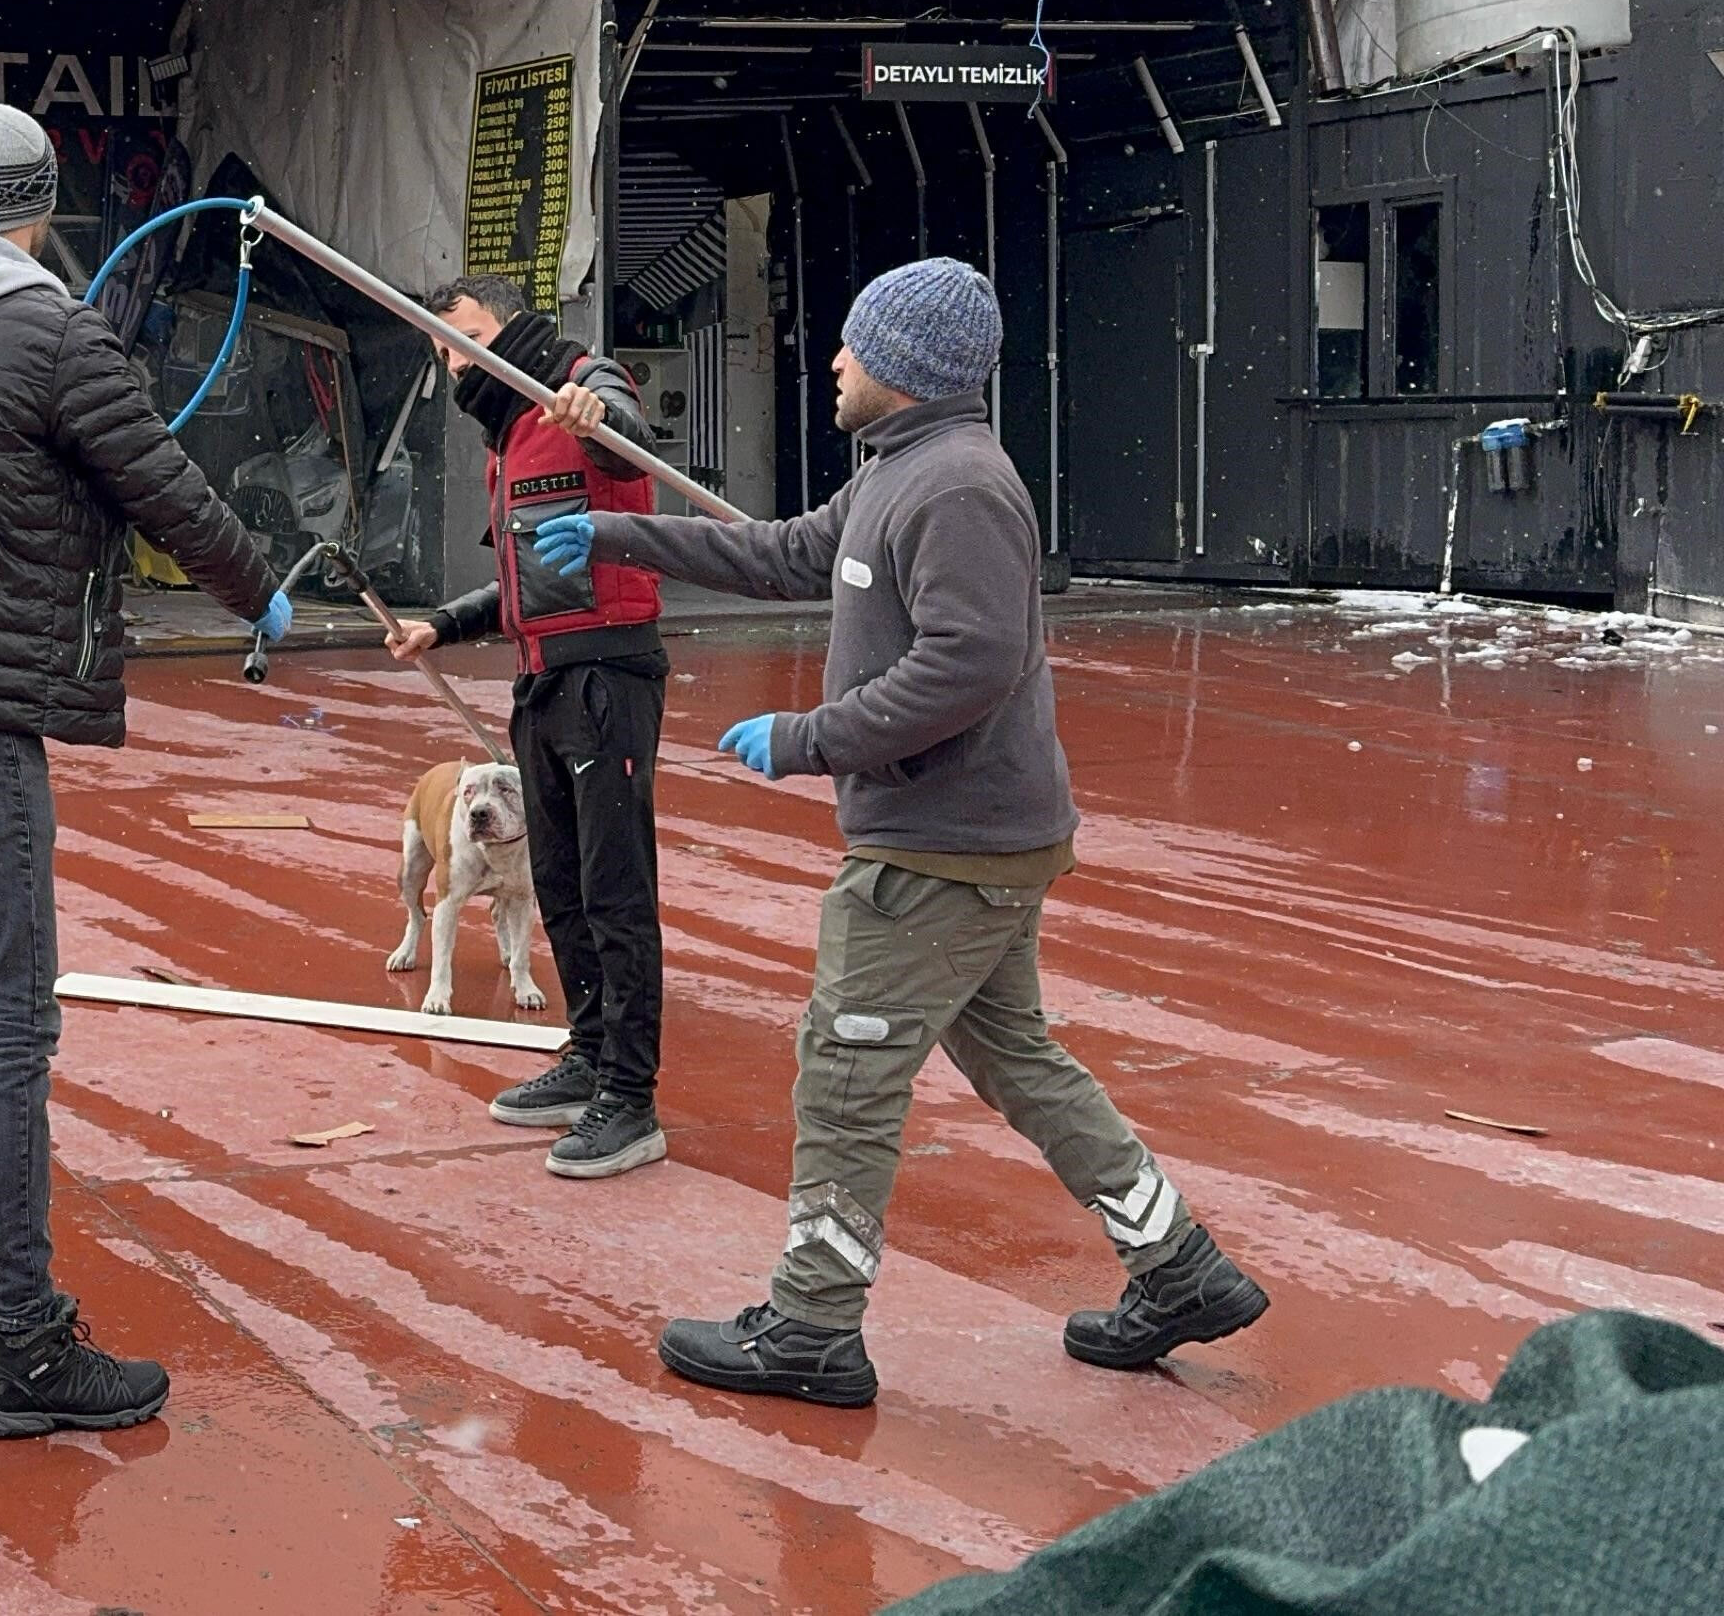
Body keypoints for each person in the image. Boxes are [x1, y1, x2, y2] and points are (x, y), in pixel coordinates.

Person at [534, 257, 1268, 1407]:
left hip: (938, 847)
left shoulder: (959, 488)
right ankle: (1179, 1269)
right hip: (967, 838)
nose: (833, 361)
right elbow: (783, 554)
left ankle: (813, 1328)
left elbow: (966, 662)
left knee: (845, 1071)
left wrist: (813, 736)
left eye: (853, 346)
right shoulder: (897, 471)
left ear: (908, 370)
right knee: (1017, 1058)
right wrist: (624, 539)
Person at [0, 102, 290, 1441]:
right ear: (39, 208)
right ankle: (26, 1342)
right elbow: (163, 485)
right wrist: (258, 594)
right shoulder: (49, 328)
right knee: (13, 1025)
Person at [383, 272, 673, 1179]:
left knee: (614, 888)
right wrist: (448, 622)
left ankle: (630, 1099)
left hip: (607, 677)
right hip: (541, 682)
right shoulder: (504, 435)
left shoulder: (585, 385)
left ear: (506, 323)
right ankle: (588, 1056)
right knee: (558, 882)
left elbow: (635, 452)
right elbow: (523, 582)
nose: (450, 351)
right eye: (437, 342)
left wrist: (599, 416)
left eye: (459, 330)